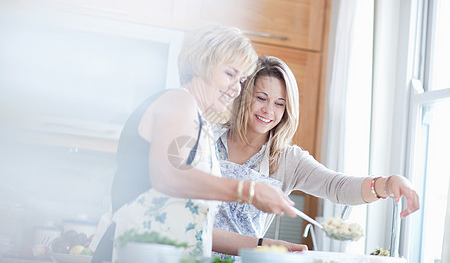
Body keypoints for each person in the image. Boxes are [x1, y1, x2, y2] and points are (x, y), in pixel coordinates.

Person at [91, 26, 298, 262]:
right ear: (202, 65)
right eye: (230, 74)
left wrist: (264, 244)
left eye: (241, 79)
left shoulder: (199, 122)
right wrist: (249, 191)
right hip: (135, 252)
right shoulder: (179, 101)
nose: (237, 88)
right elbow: (168, 176)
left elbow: (194, 221)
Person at [210, 56, 420, 258]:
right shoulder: (206, 137)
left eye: (279, 104)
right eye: (261, 98)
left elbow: (337, 187)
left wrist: (388, 184)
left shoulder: (287, 159)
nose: (268, 110)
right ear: (243, 95)